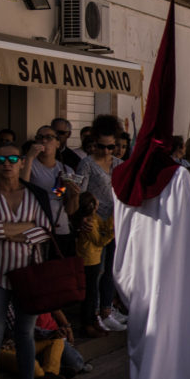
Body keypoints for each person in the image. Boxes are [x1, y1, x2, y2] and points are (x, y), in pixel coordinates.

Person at [112, 1, 190, 379]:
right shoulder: (177, 180)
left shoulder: (123, 177)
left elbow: (121, 237)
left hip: (141, 279)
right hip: (173, 278)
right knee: (176, 339)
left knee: (145, 339)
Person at [0, 142, 54, 379]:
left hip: (28, 274)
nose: (7, 163)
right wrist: (22, 229)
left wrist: (1, 228)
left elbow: (45, 230)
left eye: (13, 158)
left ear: (22, 162)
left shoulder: (35, 193)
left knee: (25, 333)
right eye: (2, 159)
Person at [77, 115, 126, 333]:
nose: (106, 151)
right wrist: (81, 218)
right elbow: (77, 193)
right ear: (94, 142)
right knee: (97, 271)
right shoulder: (86, 164)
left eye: (111, 147)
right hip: (94, 225)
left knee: (111, 271)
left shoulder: (119, 164)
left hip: (115, 223)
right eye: (101, 146)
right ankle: (94, 314)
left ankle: (107, 310)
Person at [26, 126, 81, 256]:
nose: (44, 141)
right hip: (37, 228)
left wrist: (74, 196)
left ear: (58, 143)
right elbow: (22, 187)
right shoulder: (29, 164)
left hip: (60, 228)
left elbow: (70, 210)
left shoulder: (67, 170)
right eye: (40, 138)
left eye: (49, 137)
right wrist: (29, 157)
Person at [73, 192, 116, 338]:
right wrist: (111, 234)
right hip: (89, 261)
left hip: (94, 259)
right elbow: (99, 241)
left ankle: (92, 320)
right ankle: (88, 323)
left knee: (92, 292)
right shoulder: (89, 222)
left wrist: (112, 220)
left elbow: (103, 226)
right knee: (90, 294)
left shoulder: (94, 218)